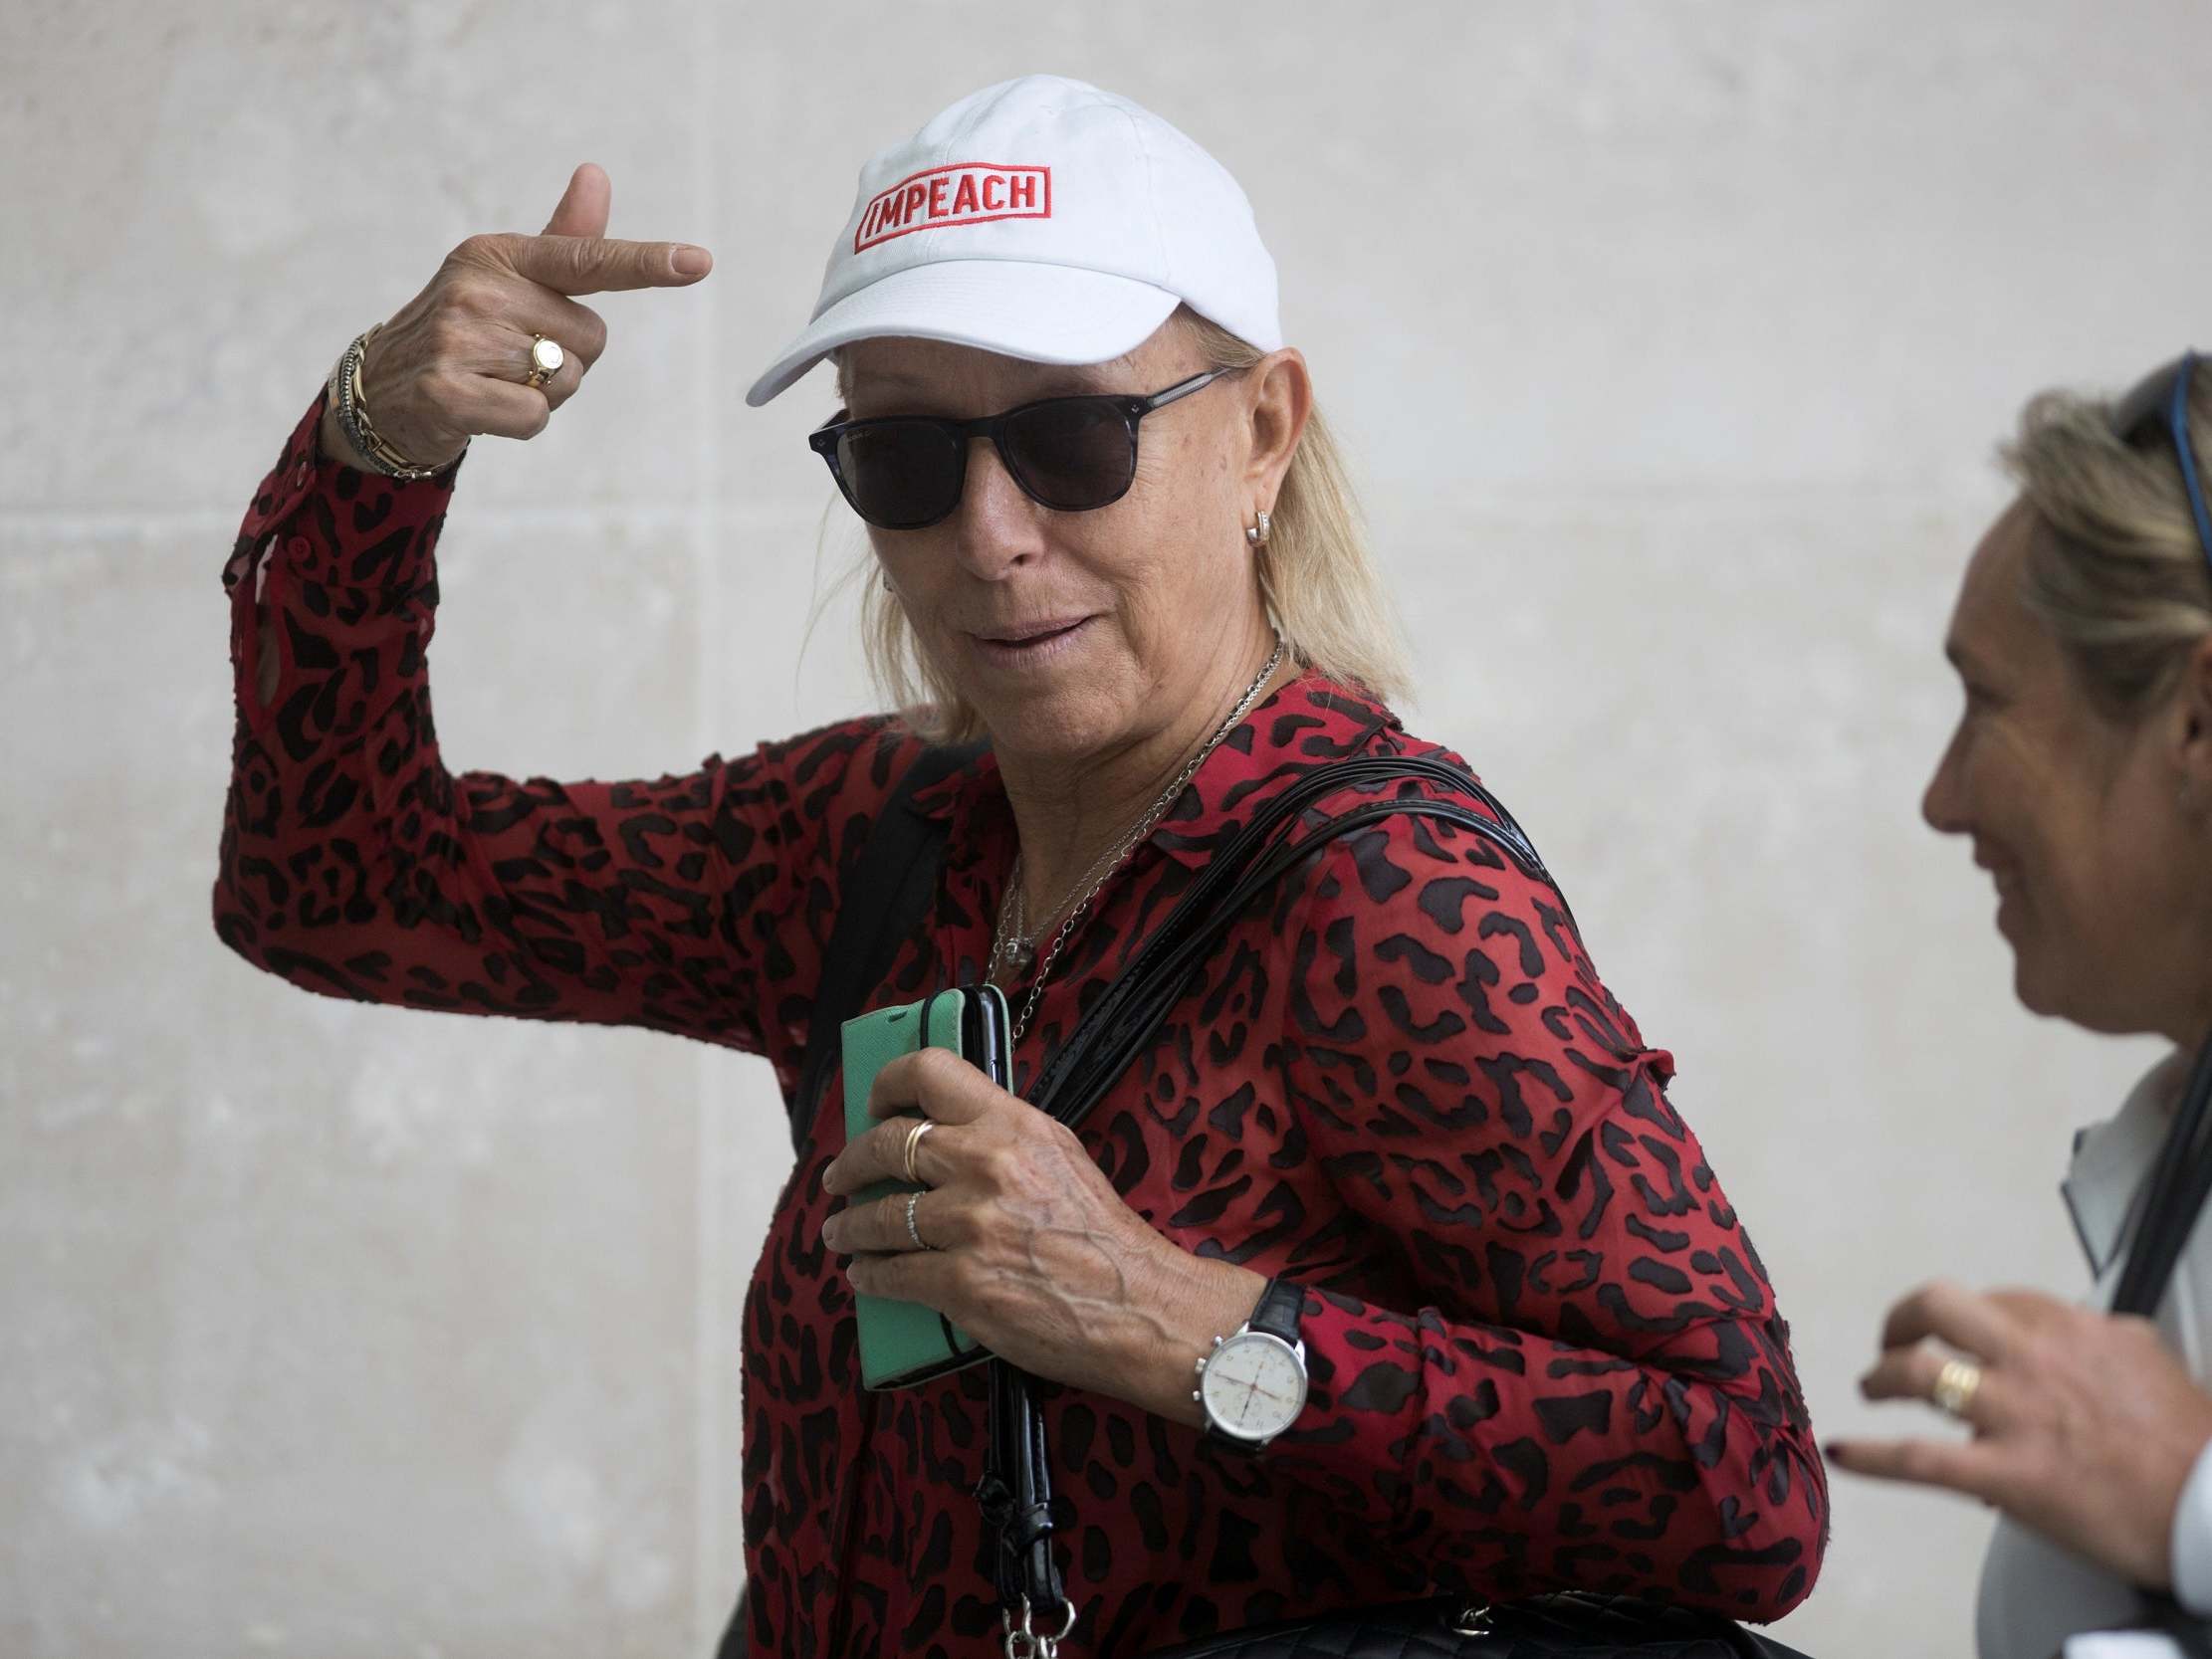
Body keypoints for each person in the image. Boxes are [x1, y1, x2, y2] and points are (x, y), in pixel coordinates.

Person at [213, 75, 1826, 1654]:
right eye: (908, 461)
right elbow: (338, 887)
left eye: (1072, 439)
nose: (987, 534)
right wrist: (381, 450)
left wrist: (1169, 1319)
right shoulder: (877, 833)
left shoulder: (1379, 892)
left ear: (1260, 433)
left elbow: (1738, 1483)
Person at [1828, 354, 2212, 1657]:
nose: (1942, 799)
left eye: (1985, 702)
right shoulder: (2176, 1145)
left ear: (2198, 721)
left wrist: (2188, 1496)